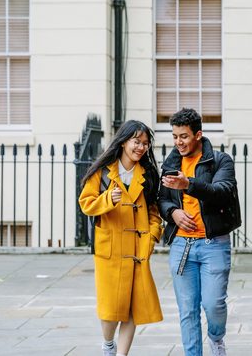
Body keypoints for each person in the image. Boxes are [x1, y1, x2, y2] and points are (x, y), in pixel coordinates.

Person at [79, 120, 164, 356]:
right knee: (110, 310)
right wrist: (107, 198)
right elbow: (86, 204)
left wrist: (153, 236)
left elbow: (154, 211)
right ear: (124, 141)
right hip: (111, 250)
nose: (141, 147)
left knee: (132, 308)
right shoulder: (103, 171)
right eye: (137, 141)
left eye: (145, 143)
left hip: (138, 250)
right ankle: (108, 344)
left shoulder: (148, 175)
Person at [158, 108, 239, 356]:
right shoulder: (171, 163)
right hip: (182, 245)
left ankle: (216, 339)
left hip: (213, 243)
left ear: (198, 135)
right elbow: (161, 199)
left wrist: (189, 185)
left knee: (213, 304)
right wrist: (172, 212)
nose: (178, 142)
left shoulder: (219, 161)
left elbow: (222, 191)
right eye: (174, 136)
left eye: (183, 136)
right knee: (187, 309)